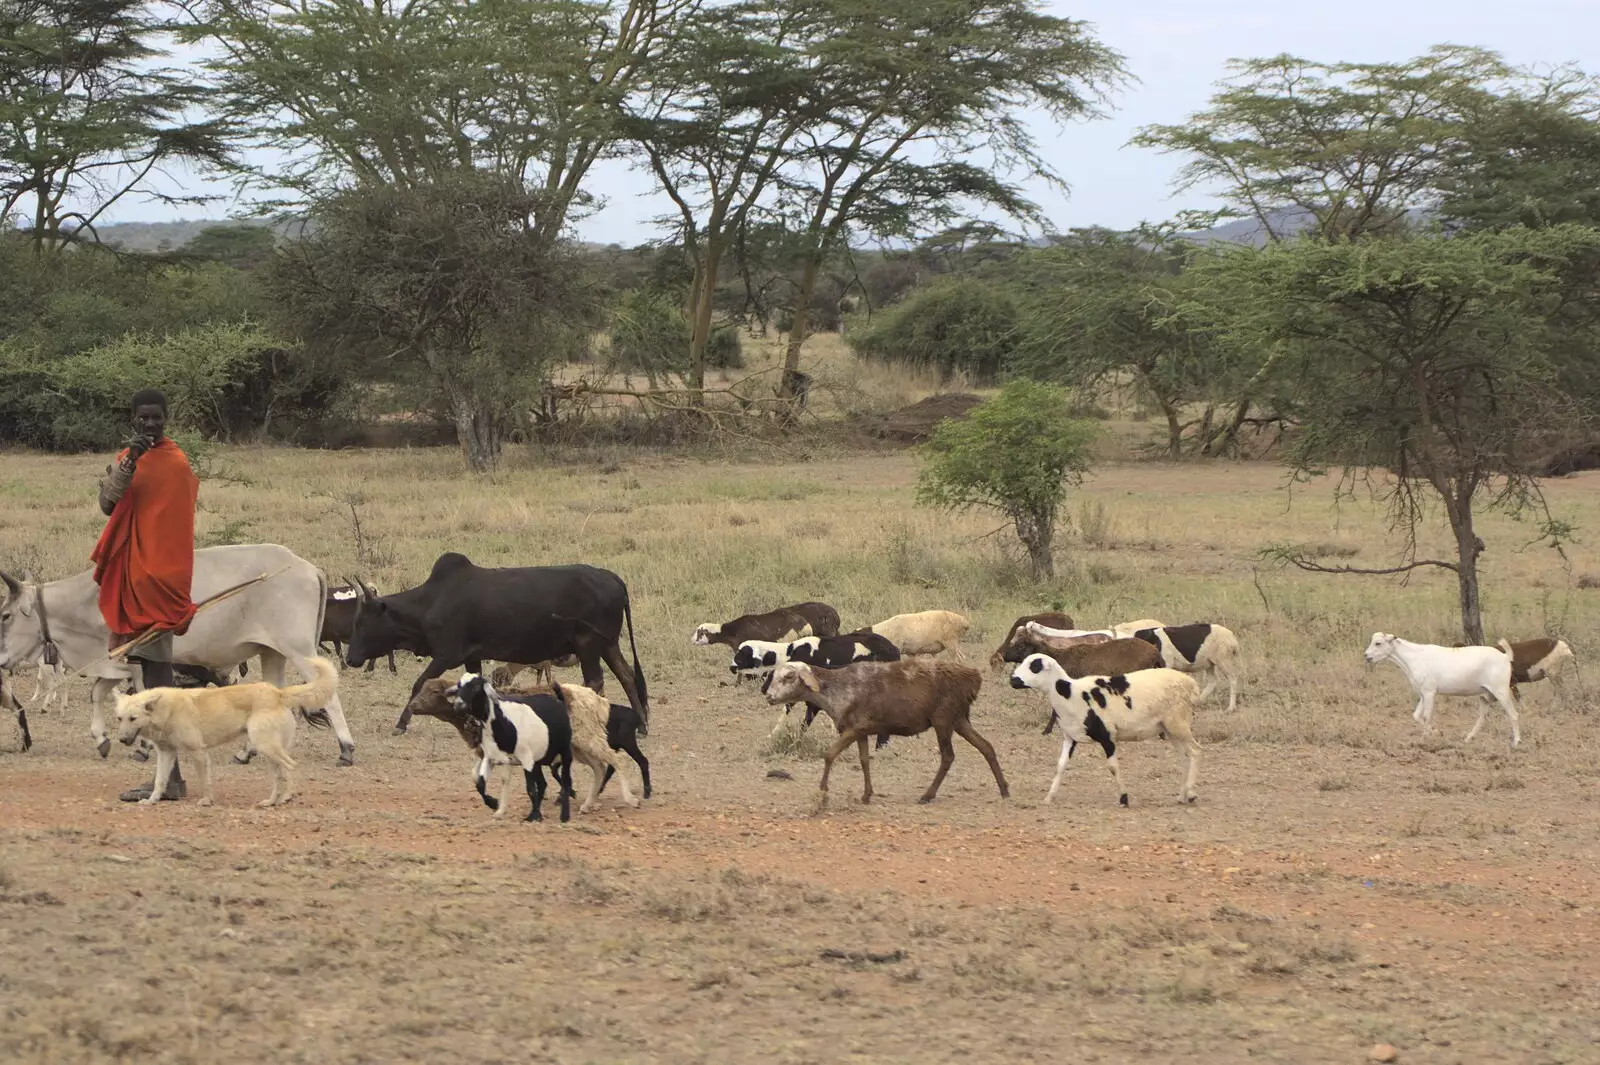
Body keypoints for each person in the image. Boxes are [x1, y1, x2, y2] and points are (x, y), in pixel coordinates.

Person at [92, 389, 199, 801]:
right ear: (133, 419)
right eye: (143, 418)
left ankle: (170, 782)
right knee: (153, 686)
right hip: (135, 578)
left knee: (157, 690)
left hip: (160, 584)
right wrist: (129, 462)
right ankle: (170, 780)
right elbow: (107, 505)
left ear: (165, 419)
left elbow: (173, 527)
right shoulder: (129, 459)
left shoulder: (176, 462)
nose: (150, 424)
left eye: (156, 418)